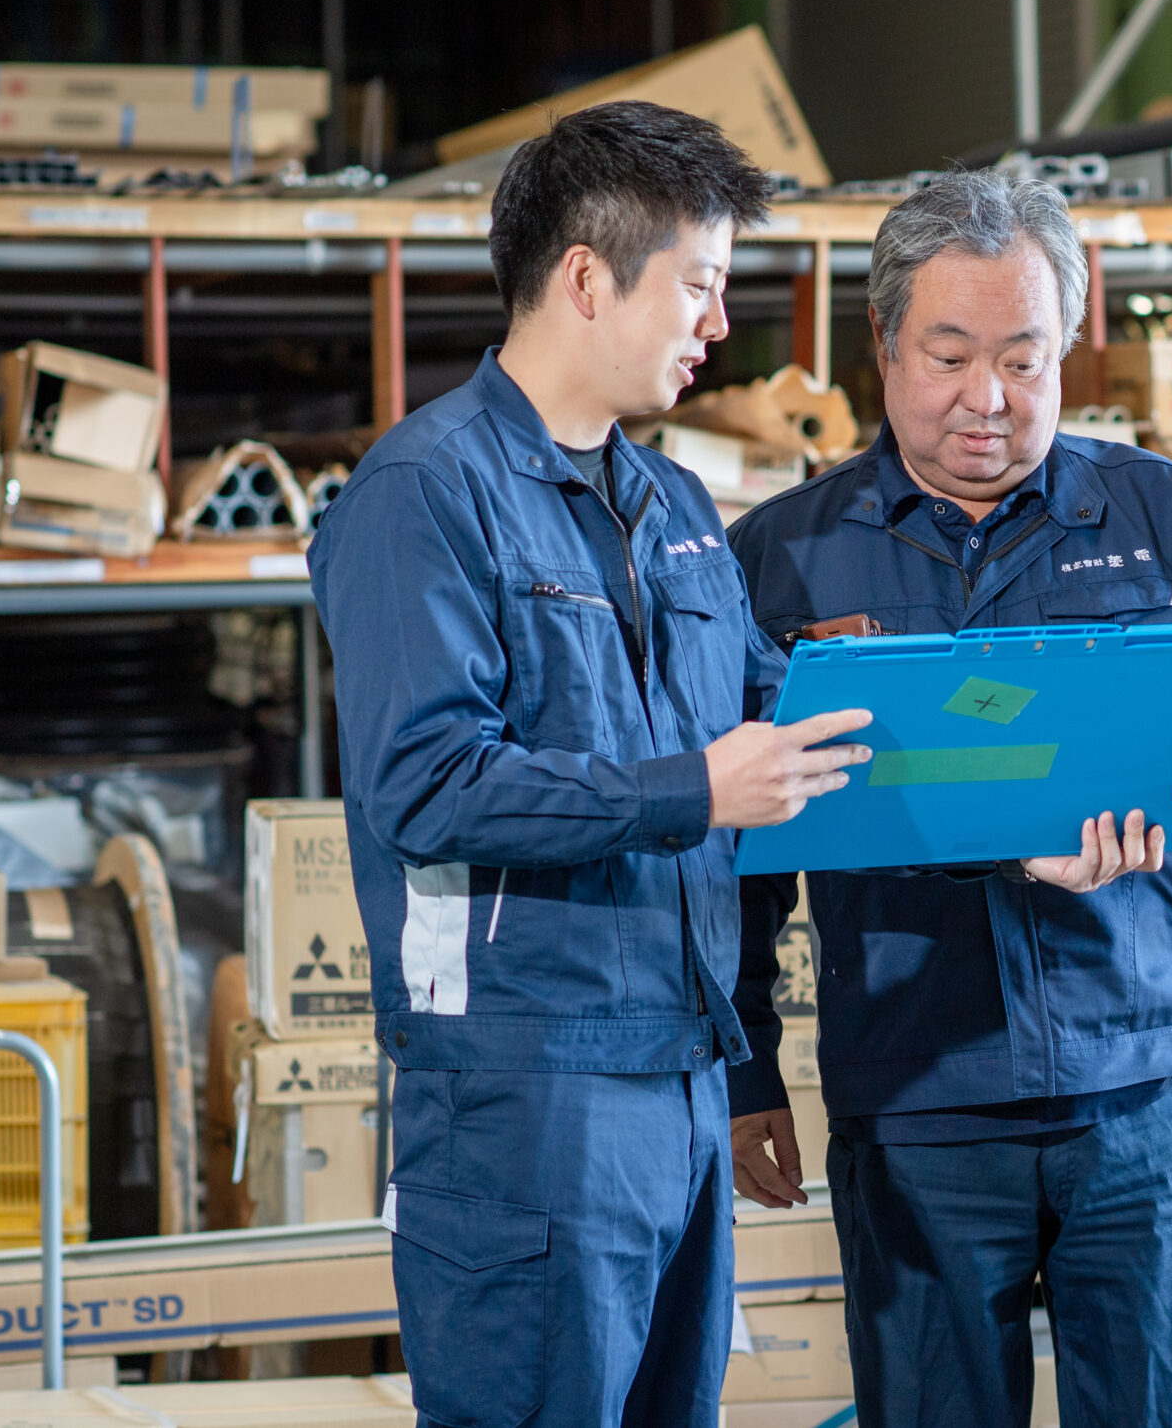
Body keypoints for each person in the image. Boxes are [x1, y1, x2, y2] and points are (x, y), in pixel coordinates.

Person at [725, 169, 1172, 1428]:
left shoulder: (1165, 515)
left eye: (1024, 358)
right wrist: (743, 1071)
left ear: (1067, 348)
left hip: (1148, 1086)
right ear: (883, 347)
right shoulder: (784, 555)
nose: (987, 400)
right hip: (920, 1097)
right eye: (948, 356)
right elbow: (738, 846)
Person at [310, 100, 872, 1428]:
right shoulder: (424, 496)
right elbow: (429, 782)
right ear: (584, 277)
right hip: (524, 1084)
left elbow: (772, 722)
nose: (719, 325)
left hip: (675, 1072)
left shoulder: (671, 507)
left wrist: (1011, 756)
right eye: (700, 284)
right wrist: (694, 788)